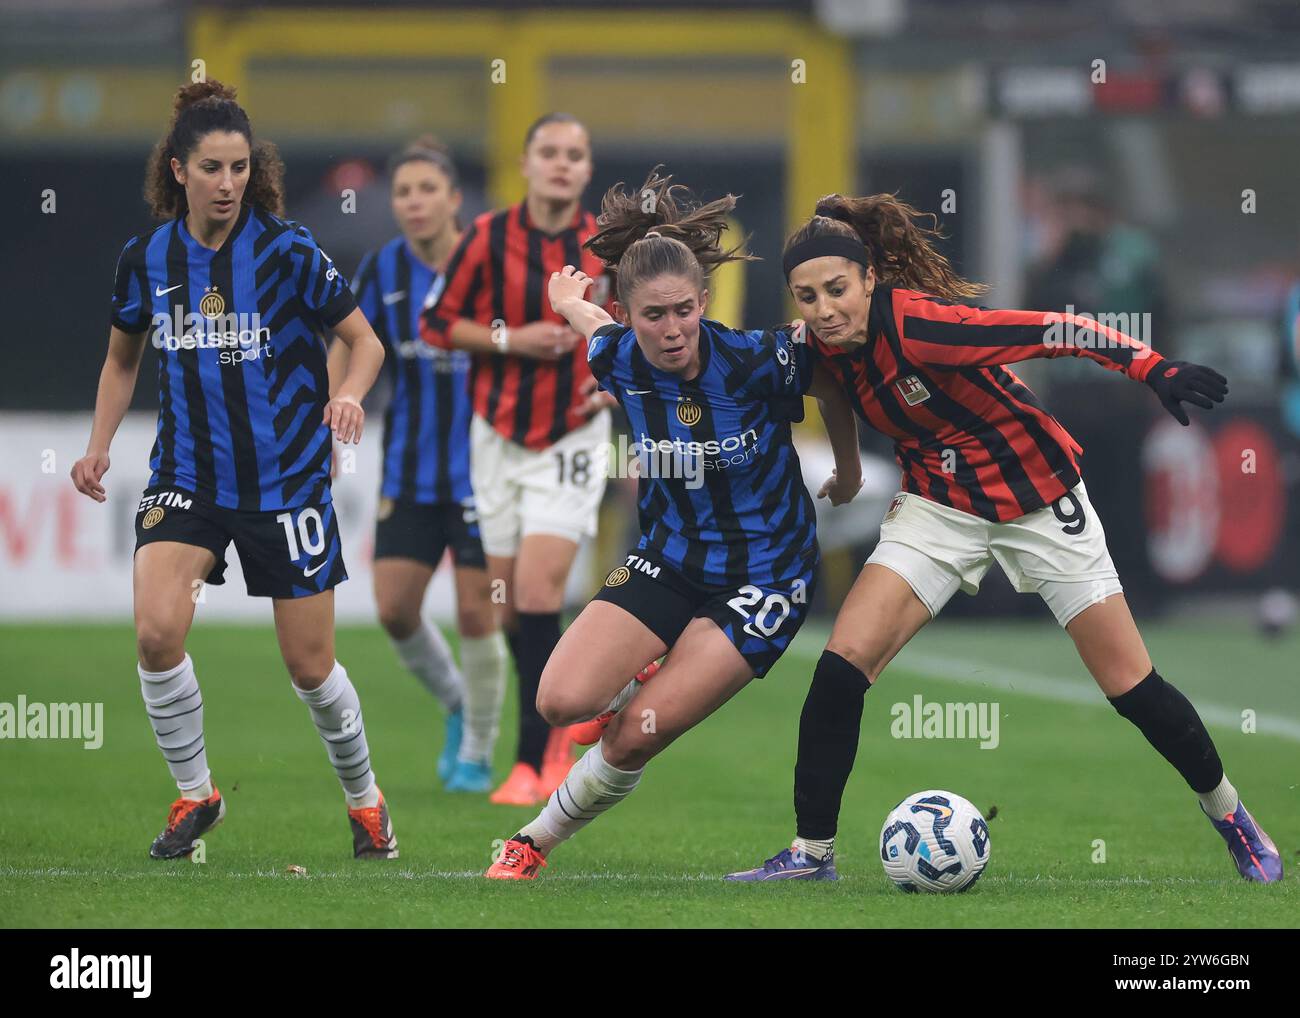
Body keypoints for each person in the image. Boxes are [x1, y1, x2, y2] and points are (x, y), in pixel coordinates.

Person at [725, 193, 1281, 883]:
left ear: (869, 280)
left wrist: (1153, 368)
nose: (823, 308)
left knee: (1130, 686)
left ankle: (1231, 814)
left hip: (1040, 499)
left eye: (837, 289)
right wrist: (842, 469)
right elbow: (829, 392)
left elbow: (1056, 329)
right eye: (806, 296)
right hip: (939, 505)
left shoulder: (924, 327)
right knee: (840, 670)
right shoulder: (817, 346)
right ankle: (811, 856)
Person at [483, 171, 863, 880]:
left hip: (766, 575)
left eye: (684, 311)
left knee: (633, 736)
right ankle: (648, 663)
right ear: (629, 315)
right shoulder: (619, 358)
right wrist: (569, 301)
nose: (672, 329)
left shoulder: (755, 358)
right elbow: (591, 328)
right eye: (653, 315)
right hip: (672, 559)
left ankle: (532, 842)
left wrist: (848, 470)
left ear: (704, 303)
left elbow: (833, 383)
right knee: (559, 699)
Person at [70, 80, 399, 860]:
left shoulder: (287, 251)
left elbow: (367, 341)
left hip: (286, 484)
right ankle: (195, 794)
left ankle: (366, 802)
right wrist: (97, 445)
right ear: (178, 170)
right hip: (188, 478)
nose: (228, 184)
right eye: (213, 168)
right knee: (155, 634)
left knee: (311, 667)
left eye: (241, 168)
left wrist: (347, 397)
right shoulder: (146, 258)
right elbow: (123, 360)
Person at [421, 113, 642, 805]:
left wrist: (614, 381)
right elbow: (436, 325)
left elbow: (644, 325)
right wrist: (510, 338)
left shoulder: (607, 248)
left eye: (575, 154)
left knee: (543, 593)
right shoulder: (487, 237)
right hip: (496, 434)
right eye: (549, 151)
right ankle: (574, 708)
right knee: (512, 606)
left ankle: (534, 759)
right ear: (525, 162)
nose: (561, 164)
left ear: (586, 169)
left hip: (572, 435)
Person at [327, 137, 507, 793]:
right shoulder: (382, 270)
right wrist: (335, 413)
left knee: (475, 613)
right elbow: (349, 343)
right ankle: (460, 702)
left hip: (487, 472)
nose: (414, 202)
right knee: (396, 609)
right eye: (403, 192)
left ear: (454, 199)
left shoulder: (491, 265)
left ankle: (480, 753)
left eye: (427, 189)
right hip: (409, 468)